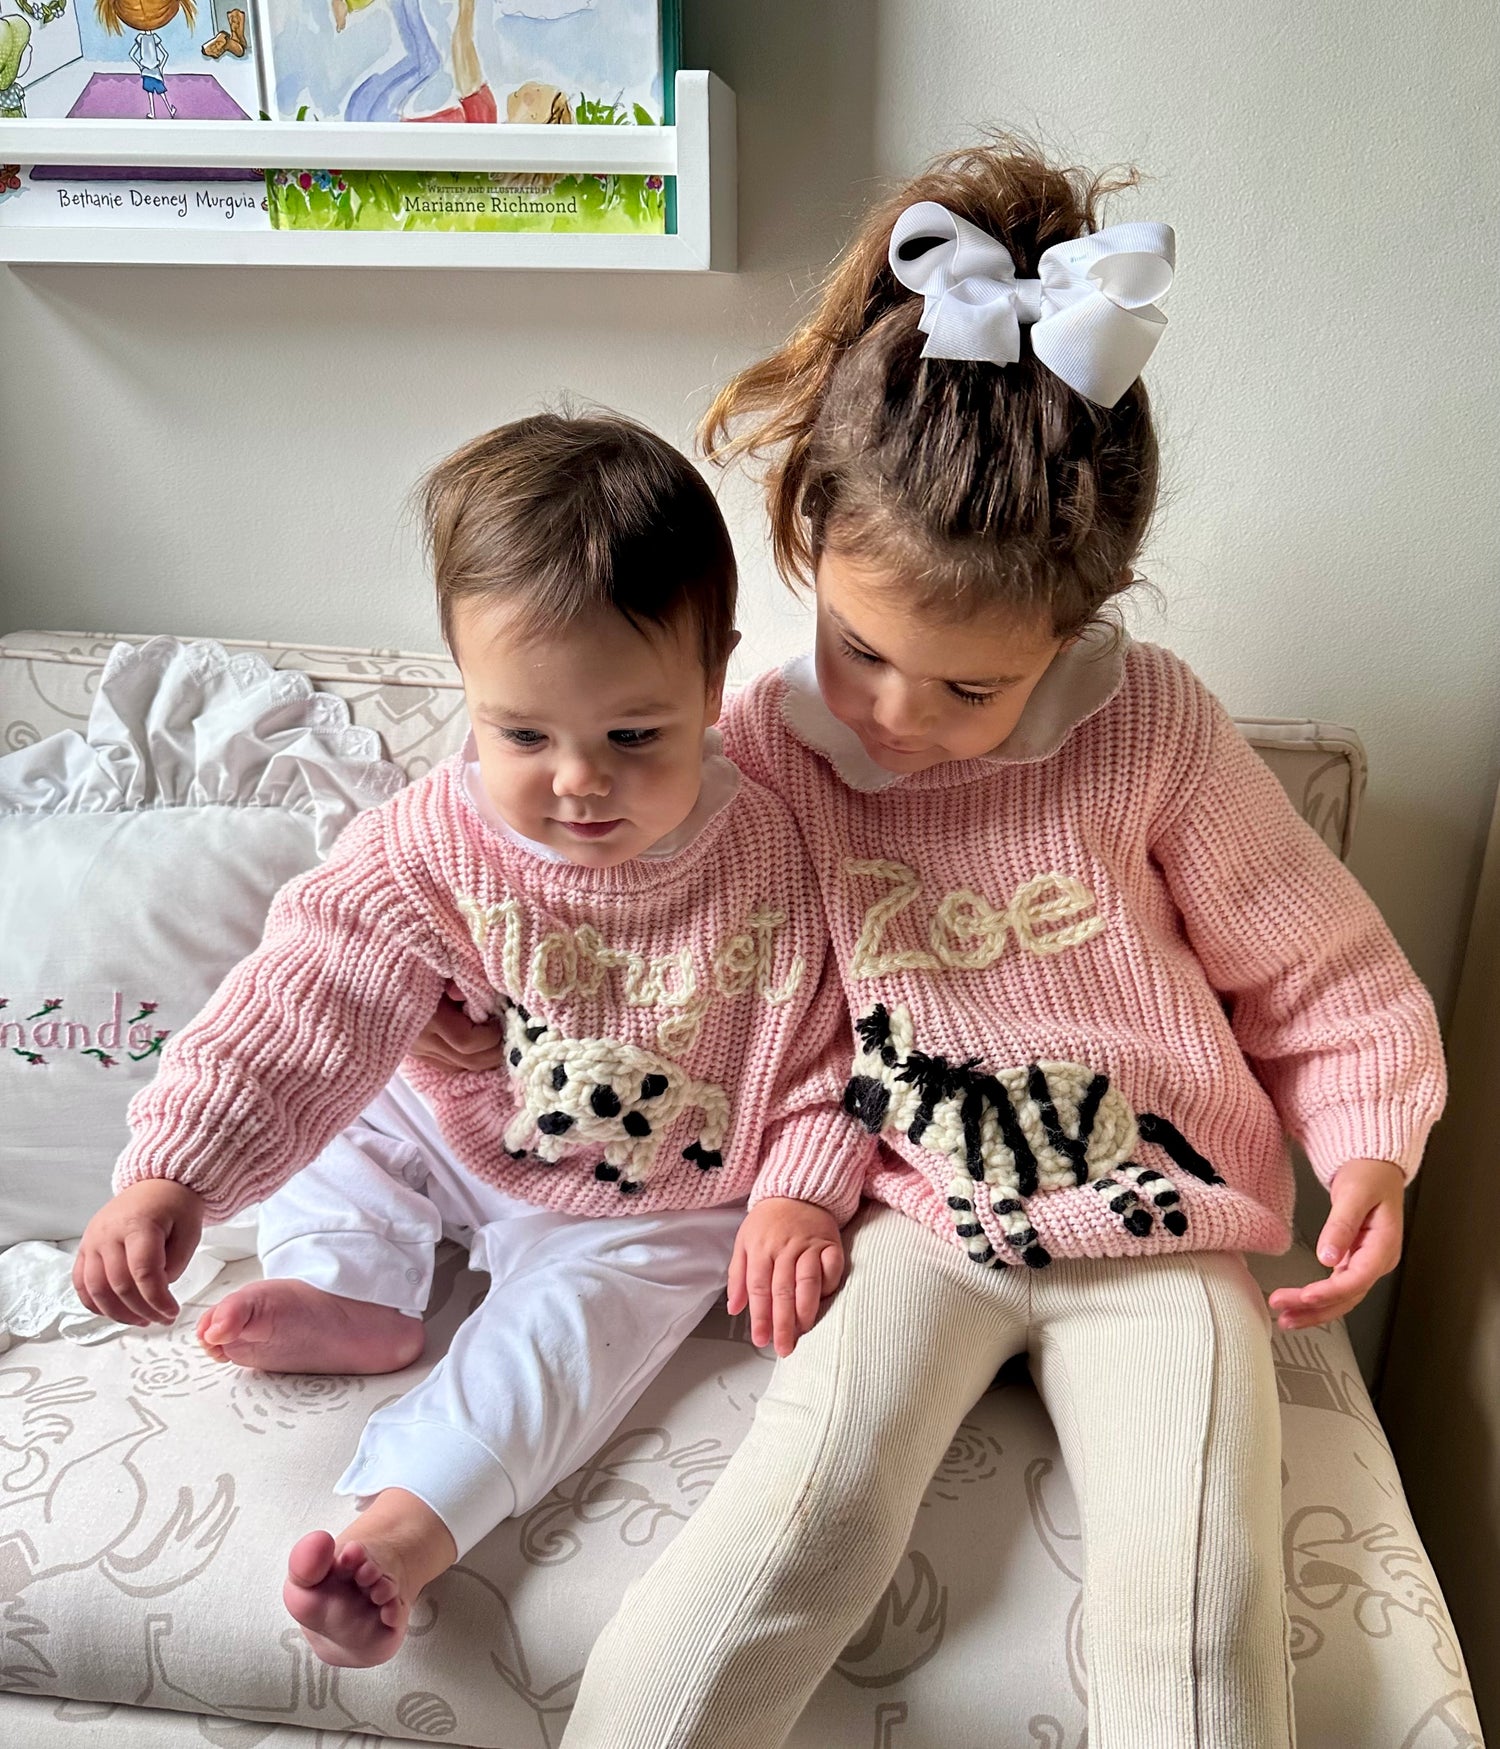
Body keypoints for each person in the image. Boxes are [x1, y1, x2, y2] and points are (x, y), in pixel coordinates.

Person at [552, 144, 1447, 1747]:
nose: (900, 716)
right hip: (921, 1219)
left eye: (971, 688)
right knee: (783, 1542)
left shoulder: (1150, 727)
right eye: (861, 651)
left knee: (1203, 1605)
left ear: (1076, 625)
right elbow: (762, 1005)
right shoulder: (763, 754)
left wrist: (1371, 1151)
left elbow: (1315, 969)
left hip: (1162, 1231)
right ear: (806, 542)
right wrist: (791, 1181)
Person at [73, 413, 870, 1671]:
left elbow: (837, 1049)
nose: (577, 783)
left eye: (634, 736)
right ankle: (353, 1284)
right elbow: (304, 1001)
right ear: (464, 681)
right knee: (356, 1099)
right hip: (468, 1118)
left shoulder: (774, 847)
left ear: (714, 676)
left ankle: (402, 1529)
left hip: (652, 1186)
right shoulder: (431, 843)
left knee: (588, 1331)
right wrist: (174, 1174)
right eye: (524, 736)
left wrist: (801, 1195)